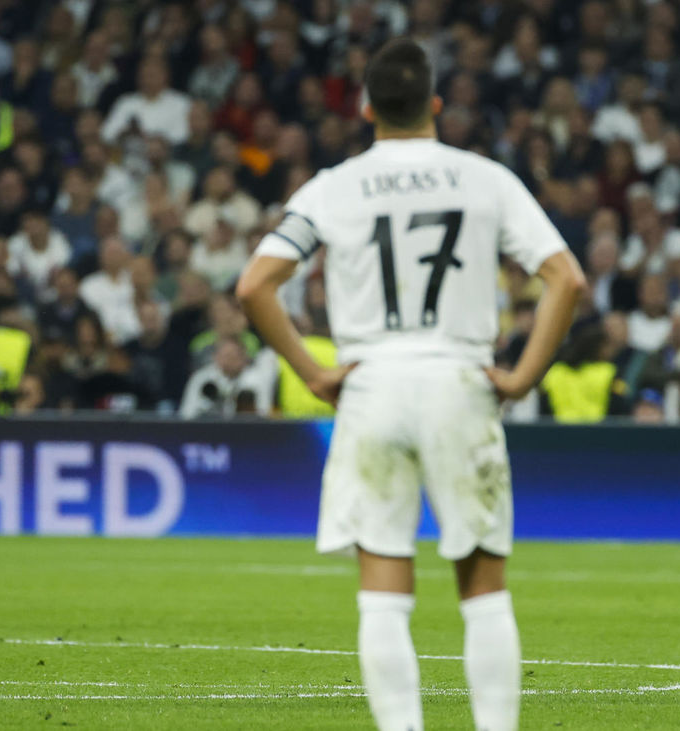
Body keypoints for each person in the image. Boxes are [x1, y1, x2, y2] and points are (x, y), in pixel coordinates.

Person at [235, 40, 585, 731]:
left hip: (373, 386)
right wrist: (520, 377)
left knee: (383, 595)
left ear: (366, 108)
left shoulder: (333, 186)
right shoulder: (485, 178)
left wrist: (313, 372)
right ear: (435, 104)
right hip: (459, 381)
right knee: (483, 592)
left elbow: (254, 285)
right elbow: (566, 278)